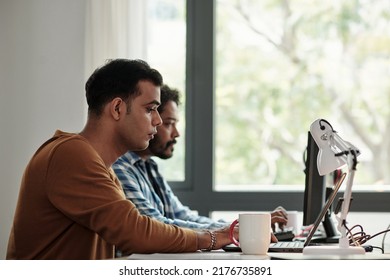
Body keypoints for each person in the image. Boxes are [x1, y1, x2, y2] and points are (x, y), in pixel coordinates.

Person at [6, 59, 242, 260]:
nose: (158, 121)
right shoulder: (69, 154)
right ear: (117, 108)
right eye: (150, 109)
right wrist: (213, 237)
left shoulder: (103, 168)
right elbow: (135, 232)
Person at [112, 84, 288, 231]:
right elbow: (155, 225)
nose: (176, 133)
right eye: (169, 124)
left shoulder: (148, 166)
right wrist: (237, 230)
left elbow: (181, 215)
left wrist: (239, 227)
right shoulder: (119, 167)